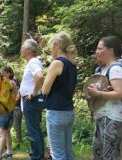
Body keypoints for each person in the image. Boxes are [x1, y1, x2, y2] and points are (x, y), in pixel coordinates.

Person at [87, 36, 122, 160]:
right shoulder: (103, 69)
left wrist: (98, 94)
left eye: (100, 49)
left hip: (112, 118)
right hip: (103, 116)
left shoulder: (115, 69)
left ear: (110, 50)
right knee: (99, 155)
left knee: (111, 156)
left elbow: (120, 94)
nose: (97, 52)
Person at [42, 32, 77, 160]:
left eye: (52, 46)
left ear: (56, 45)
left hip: (56, 112)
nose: (51, 49)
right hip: (69, 111)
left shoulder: (57, 63)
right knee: (68, 153)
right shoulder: (72, 64)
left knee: (57, 155)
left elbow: (45, 90)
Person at [19, 38, 45, 160]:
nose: (21, 50)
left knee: (33, 131)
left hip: (32, 101)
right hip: (31, 101)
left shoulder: (33, 62)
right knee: (35, 129)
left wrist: (33, 94)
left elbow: (40, 77)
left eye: (23, 47)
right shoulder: (33, 62)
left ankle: (36, 156)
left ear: (29, 50)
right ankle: (39, 155)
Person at [0, 67, 17, 159]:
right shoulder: (12, 83)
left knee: (1, 133)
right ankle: (9, 152)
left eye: (3, 73)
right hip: (10, 110)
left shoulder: (10, 83)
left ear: (9, 73)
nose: (1, 74)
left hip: (5, 110)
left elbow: (4, 98)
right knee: (7, 132)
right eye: (0, 73)